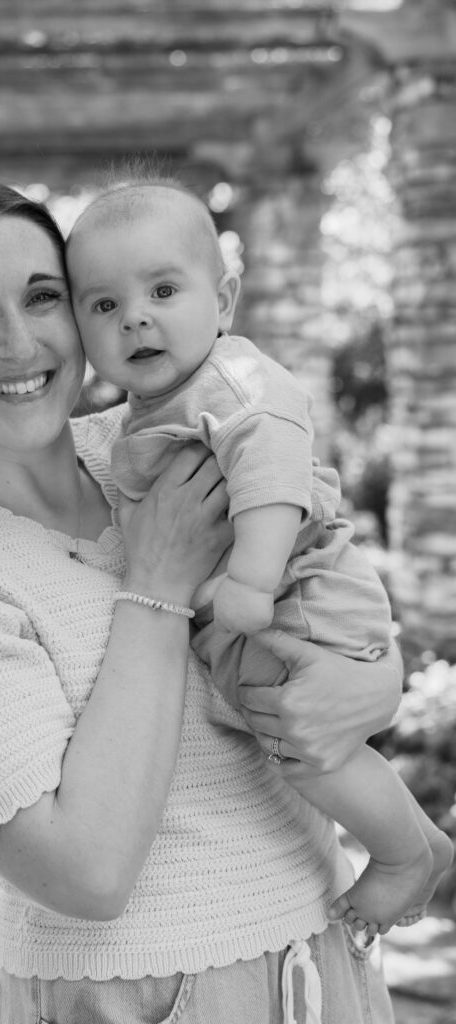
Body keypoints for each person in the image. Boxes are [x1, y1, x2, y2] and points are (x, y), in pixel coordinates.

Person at [0, 179, 405, 1024]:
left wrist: (377, 679)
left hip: (318, 964)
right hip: (134, 1002)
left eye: (43, 297)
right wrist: (155, 587)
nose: (19, 340)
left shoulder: (158, 445)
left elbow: (317, 576)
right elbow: (85, 874)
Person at [65, 177, 453, 938]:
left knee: (307, 748)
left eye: (163, 289)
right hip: (260, 613)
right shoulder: (143, 412)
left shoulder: (237, 383)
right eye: (103, 305)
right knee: (300, 739)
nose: (134, 316)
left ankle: (407, 854)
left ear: (225, 300)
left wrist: (251, 576)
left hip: (296, 593)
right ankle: (422, 840)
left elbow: (273, 473)